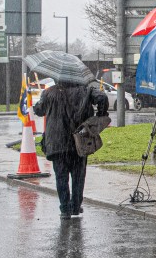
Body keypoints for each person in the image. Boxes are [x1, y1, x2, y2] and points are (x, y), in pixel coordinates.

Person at [34, 79, 109, 219]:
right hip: (79, 141)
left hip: (57, 143)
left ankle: (65, 209)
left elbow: (39, 110)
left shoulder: (49, 93)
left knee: (61, 177)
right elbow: (102, 97)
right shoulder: (86, 91)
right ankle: (75, 206)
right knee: (78, 176)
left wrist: (38, 103)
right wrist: (100, 114)